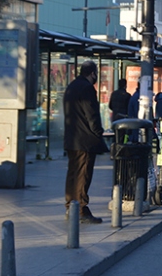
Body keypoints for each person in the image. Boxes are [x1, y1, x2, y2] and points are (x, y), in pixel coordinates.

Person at [63, 60, 109, 224]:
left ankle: (71, 205)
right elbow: (92, 114)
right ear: (92, 73)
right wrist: (99, 132)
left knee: (73, 174)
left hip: (72, 139)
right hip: (85, 140)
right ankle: (81, 208)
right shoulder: (87, 88)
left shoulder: (71, 87)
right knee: (83, 174)